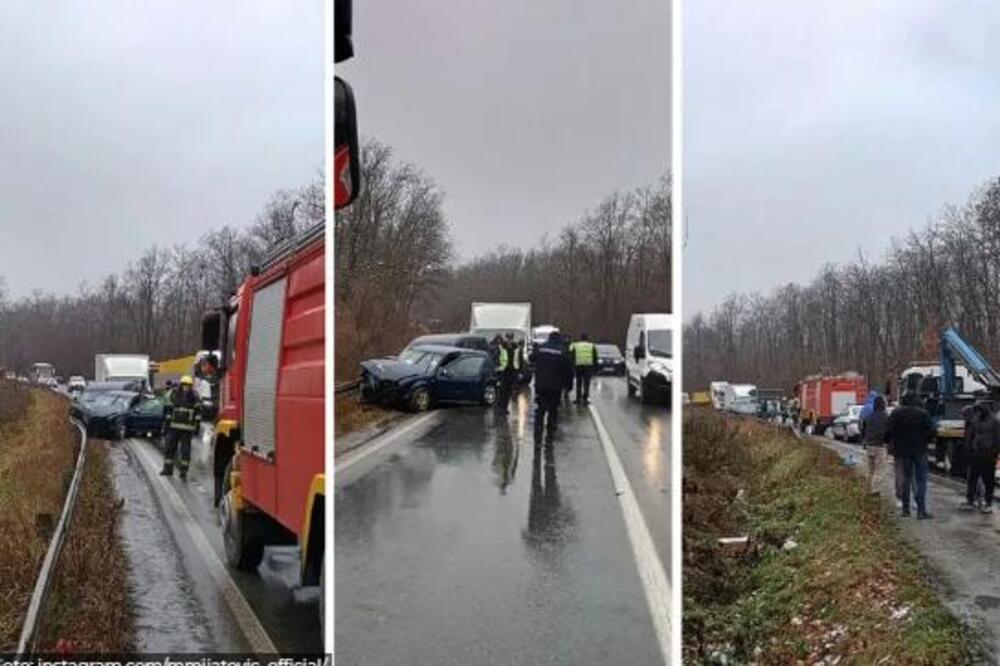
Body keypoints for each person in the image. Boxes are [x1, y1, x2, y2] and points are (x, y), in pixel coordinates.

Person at [886, 391, 934, 519]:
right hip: (920, 450)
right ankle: (921, 510)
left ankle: (906, 509)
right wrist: (926, 441)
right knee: (920, 480)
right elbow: (931, 431)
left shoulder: (896, 413)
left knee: (906, 479)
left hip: (902, 450)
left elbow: (888, 431)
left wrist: (892, 443)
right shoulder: (923, 414)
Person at [530, 331, 573, 448]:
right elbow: (569, 371)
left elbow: (531, 358)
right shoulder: (562, 351)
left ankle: (537, 436)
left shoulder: (541, 348)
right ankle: (549, 436)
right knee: (553, 411)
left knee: (540, 410)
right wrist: (569, 386)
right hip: (555, 387)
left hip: (541, 385)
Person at [160, 375, 202, 481]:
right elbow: (168, 408)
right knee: (170, 449)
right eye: (184, 385)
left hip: (187, 429)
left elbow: (198, 412)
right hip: (174, 427)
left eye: (188, 385)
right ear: (181, 385)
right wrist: (167, 423)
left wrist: (197, 425)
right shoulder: (174, 395)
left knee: (185, 451)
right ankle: (167, 469)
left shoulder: (195, 397)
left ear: (191, 386)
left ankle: (183, 471)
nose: (186, 387)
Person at [964, 401, 1000, 513]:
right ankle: (976, 500)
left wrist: (994, 451)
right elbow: (970, 436)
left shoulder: (992, 422)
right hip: (980, 453)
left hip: (986, 454)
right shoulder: (991, 421)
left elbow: (997, 438)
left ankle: (984, 501)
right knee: (976, 478)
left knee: (985, 479)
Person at [861, 395, 889, 495]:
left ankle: (868, 489)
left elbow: (863, 431)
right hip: (880, 446)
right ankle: (875, 490)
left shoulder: (868, 417)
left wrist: (864, 441)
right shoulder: (886, 417)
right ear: (883, 405)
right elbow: (889, 432)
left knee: (870, 469)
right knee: (880, 470)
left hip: (869, 446)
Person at [569, 333, 597, 405]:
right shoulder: (591, 346)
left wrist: (572, 366)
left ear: (580, 338)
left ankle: (578, 399)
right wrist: (595, 367)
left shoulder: (576, 346)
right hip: (588, 366)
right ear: (587, 338)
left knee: (579, 382)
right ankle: (585, 399)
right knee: (586, 383)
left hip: (578, 366)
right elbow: (595, 357)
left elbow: (572, 356)